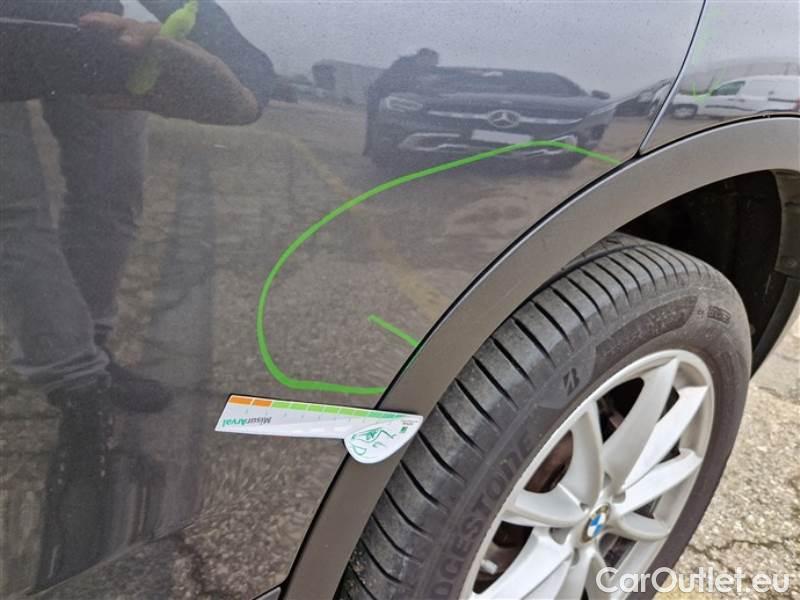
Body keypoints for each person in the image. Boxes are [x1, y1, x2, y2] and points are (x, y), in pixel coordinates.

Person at [0, 2, 274, 414]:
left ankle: (88, 344)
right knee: (12, 211)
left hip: (92, 37)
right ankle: (78, 384)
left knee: (111, 191)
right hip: (79, 38)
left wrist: (247, 83)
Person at [364, 47, 439, 155]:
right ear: (422, 57)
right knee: (375, 122)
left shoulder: (420, 69)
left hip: (390, 96)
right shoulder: (404, 64)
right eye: (432, 61)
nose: (433, 65)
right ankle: (371, 149)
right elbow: (400, 83)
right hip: (379, 94)